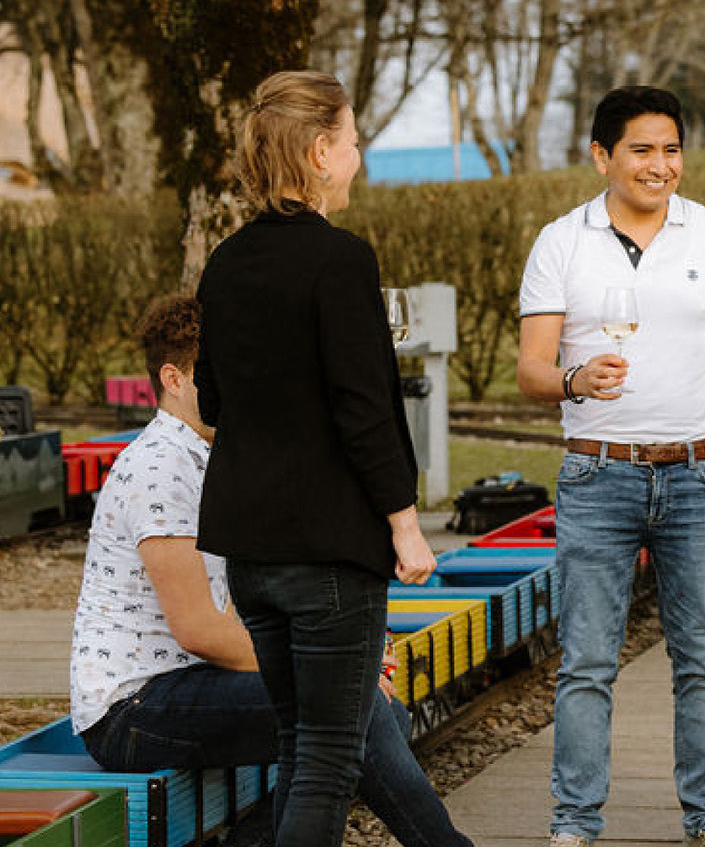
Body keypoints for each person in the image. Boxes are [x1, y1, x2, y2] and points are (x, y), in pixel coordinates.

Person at [71, 293, 469, 847]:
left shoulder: (221, 460)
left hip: (196, 684)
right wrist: (337, 674)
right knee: (353, 715)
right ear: (174, 379)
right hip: (134, 709)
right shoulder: (159, 468)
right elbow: (199, 630)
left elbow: (251, 602)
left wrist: (345, 656)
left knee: (373, 716)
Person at [515, 86, 705, 847]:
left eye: (671, 149)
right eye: (642, 150)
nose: (660, 166)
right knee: (588, 662)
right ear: (602, 156)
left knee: (702, 660)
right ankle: (574, 826)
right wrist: (571, 380)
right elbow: (532, 368)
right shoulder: (561, 242)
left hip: (700, 478)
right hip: (598, 476)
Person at [194, 70, 443, 847]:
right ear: (319, 152)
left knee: (300, 744)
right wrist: (404, 525)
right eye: (356, 140)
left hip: (251, 554)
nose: (361, 155)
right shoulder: (341, 260)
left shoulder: (225, 263)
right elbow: (365, 409)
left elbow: (210, 402)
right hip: (331, 553)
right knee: (329, 756)